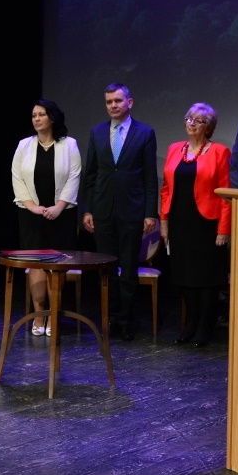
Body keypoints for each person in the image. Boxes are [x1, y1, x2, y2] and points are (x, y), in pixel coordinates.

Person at [81, 82, 159, 341]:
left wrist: (150, 213)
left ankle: (126, 320)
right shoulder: (97, 132)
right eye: (109, 102)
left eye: (117, 100)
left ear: (129, 102)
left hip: (132, 212)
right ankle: (110, 318)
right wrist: (87, 210)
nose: (113, 105)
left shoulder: (145, 133)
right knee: (106, 269)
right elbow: (91, 175)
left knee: (127, 269)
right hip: (103, 211)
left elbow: (150, 178)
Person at [160, 103, 231, 347]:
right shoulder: (174, 149)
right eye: (189, 118)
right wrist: (164, 221)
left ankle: (204, 328)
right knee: (184, 277)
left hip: (207, 224)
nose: (192, 123)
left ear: (209, 127)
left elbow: (226, 194)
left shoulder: (220, 152)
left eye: (199, 120)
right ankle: (189, 325)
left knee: (206, 279)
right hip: (180, 223)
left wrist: (224, 229)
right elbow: (166, 189)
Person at [11, 99, 82, 337]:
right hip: (32, 216)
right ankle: (39, 313)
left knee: (56, 266)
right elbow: (17, 176)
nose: (37, 119)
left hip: (61, 216)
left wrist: (59, 206)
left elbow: (74, 176)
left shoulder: (69, 144)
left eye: (41, 114)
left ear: (52, 117)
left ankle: (54, 313)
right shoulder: (24, 145)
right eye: (34, 115)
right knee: (36, 265)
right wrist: (32, 206)